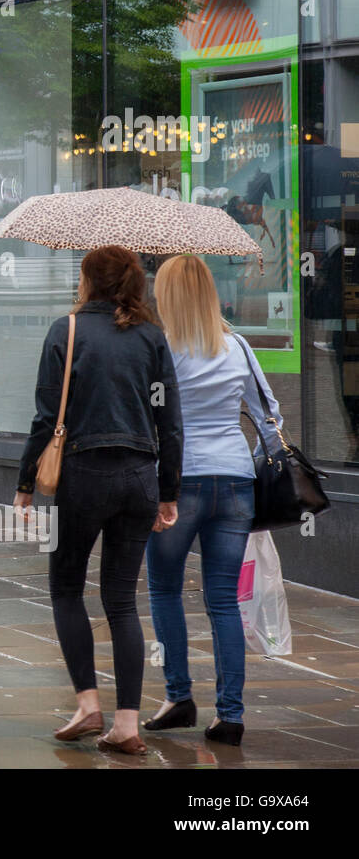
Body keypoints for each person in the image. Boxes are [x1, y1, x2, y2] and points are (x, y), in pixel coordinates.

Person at [15, 245, 183, 756]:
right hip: (138, 477)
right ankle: (128, 723)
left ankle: (89, 704)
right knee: (121, 600)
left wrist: (25, 483)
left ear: (87, 280)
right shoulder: (152, 337)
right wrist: (168, 491)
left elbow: (46, 417)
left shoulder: (65, 332)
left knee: (67, 588)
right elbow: (169, 421)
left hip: (82, 476)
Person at [145, 254, 281, 747]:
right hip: (236, 482)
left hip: (178, 485)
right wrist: (246, 458)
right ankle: (231, 714)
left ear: (168, 296)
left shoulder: (161, 349)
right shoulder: (238, 345)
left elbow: (150, 413)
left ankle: (178, 696)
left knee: (164, 589)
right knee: (223, 599)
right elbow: (269, 417)